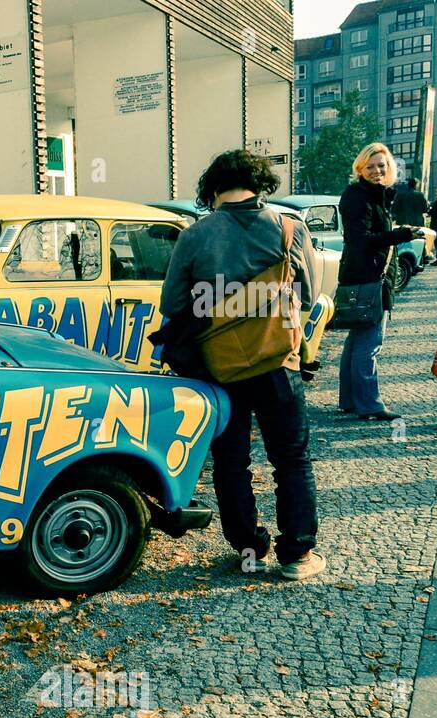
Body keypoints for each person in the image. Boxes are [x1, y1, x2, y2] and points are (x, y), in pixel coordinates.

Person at [159, 149, 325, 581]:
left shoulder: (196, 236)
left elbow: (172, 303)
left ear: (213, 188)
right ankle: (297, 556)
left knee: (231, 460)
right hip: (278, 361)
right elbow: (307, 296)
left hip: (220, 367)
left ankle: (249, 550)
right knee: (291, 459)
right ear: (262, 184)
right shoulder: (290, 227)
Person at [338, 143, 436, 421]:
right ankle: (369, 404)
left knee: (356, 340)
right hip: (369, 277)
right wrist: (402, 234)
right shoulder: (359, 197)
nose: (377, 171)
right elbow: (360, 241)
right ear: (360, 169)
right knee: (370, 343)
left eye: (381, 165)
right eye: (370, 166)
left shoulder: (371, 195)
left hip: (364, 275)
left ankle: (349, 400)